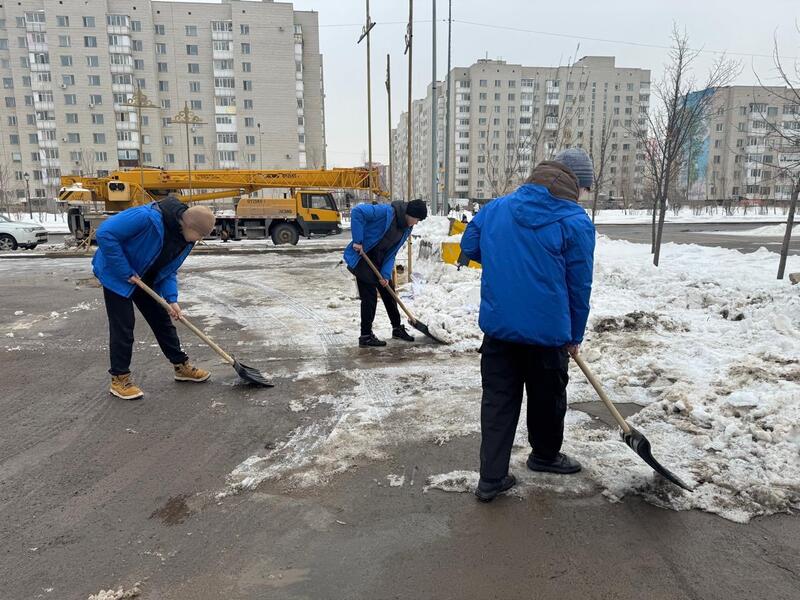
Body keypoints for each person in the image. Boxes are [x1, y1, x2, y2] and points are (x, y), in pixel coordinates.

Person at [460, 149, 596, 502]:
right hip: (548, 334)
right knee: (547, 397)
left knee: (498, 401)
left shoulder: (495, 209)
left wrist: (506, 262)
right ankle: (545, 456)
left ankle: (491, 478)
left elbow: (469, 245)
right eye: (585, 187)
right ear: (575, 184)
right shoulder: (576, 221)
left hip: (499, 330)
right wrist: (574, 334)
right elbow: (578, 284)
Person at [93, 195, 217, 400]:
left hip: (144, 276)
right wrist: (125, 270)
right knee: (123, 326)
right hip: (116, 273)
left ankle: (181, 366)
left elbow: (169, 269)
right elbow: (105, 233)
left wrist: (171, 299)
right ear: (186, 224)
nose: (198, 240)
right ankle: (119, 378)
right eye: (198, 235)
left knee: (162, 321)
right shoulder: (146, 217)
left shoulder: (184, 240)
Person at [343, 199, 428, 347]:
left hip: (380, 260)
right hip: (364, 256)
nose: (416, 223)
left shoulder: (406, 229)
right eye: (416, 219)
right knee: (369, 298)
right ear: (410, 214)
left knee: (389, 293)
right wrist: (358, 240)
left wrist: (386, 275)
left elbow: (392, 253)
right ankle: (365, 335)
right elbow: (357, 212)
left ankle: (397, 328)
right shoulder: (385, 212)